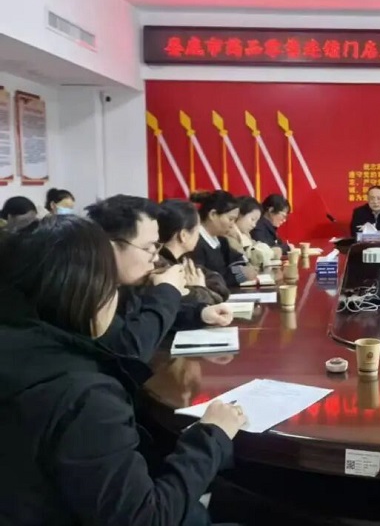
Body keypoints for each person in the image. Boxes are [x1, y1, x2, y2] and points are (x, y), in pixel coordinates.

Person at [0, 216, 247, 525]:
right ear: (86, 289)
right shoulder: (82, 396)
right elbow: (147, 518)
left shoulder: (25, 345)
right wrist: (212, 435)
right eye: (110, 283)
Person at [87, 194, 233, 361]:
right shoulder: (88, 293)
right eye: (148, 248)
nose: (155, 257)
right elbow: (131, 350)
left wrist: (200, 314)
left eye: (156, 246)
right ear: (110, 248)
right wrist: (167, 291)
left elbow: (147, 318)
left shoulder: (127, 284)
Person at [157, 199, 230, 304]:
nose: (199, 236)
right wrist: (199, 288)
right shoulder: (162, 269)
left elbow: (216, 280)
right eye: (197, 230)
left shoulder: (184, 260)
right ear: (183, 235)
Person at [191, 190, 258, 287]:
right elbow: (207, 281)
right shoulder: (195, 244)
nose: (233, 225)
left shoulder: (221, 240)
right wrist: (240, 275)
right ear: (213, 214)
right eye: (230, 219)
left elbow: (236, 260)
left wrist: (242, 270)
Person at [227, 196, 272, 269]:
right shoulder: (228, 237)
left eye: (256, 222)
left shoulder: (246, 235)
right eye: (252, 219)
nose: (254, 225)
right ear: (239, 214)